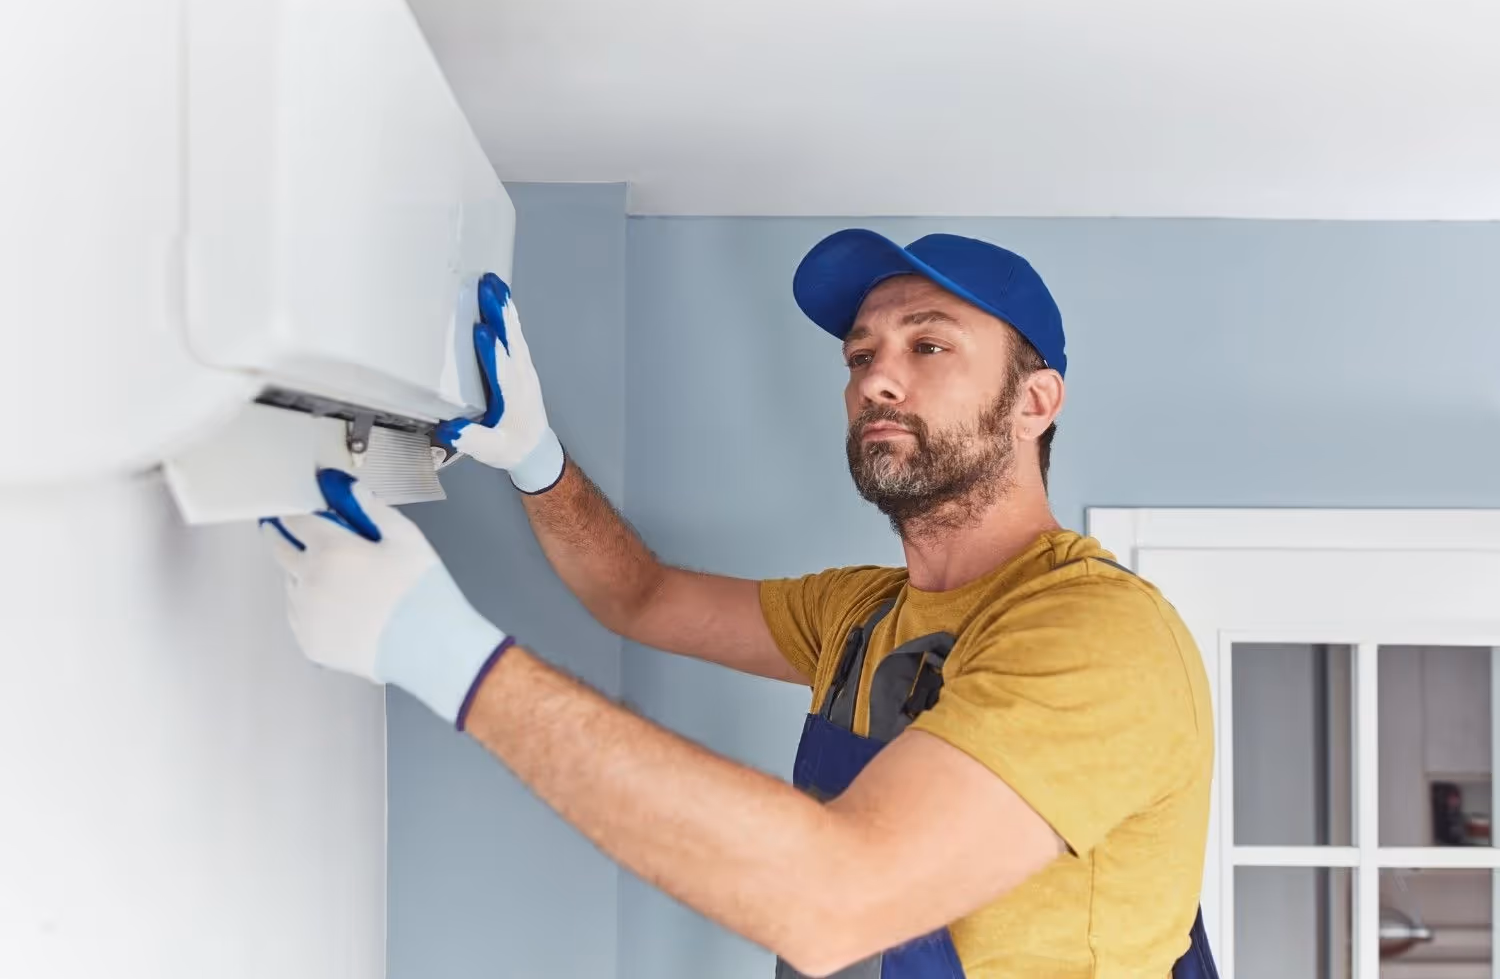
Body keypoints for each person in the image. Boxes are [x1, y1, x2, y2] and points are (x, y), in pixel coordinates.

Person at [262, 229, 1218, 979]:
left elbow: (841, 896)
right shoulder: (863, 613)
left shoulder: (1099, 637)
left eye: (929, 344)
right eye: (860, 354)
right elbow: (641, 596)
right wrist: (535, 459)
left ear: (1034, 401)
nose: (875, 378)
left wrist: (446, 658)